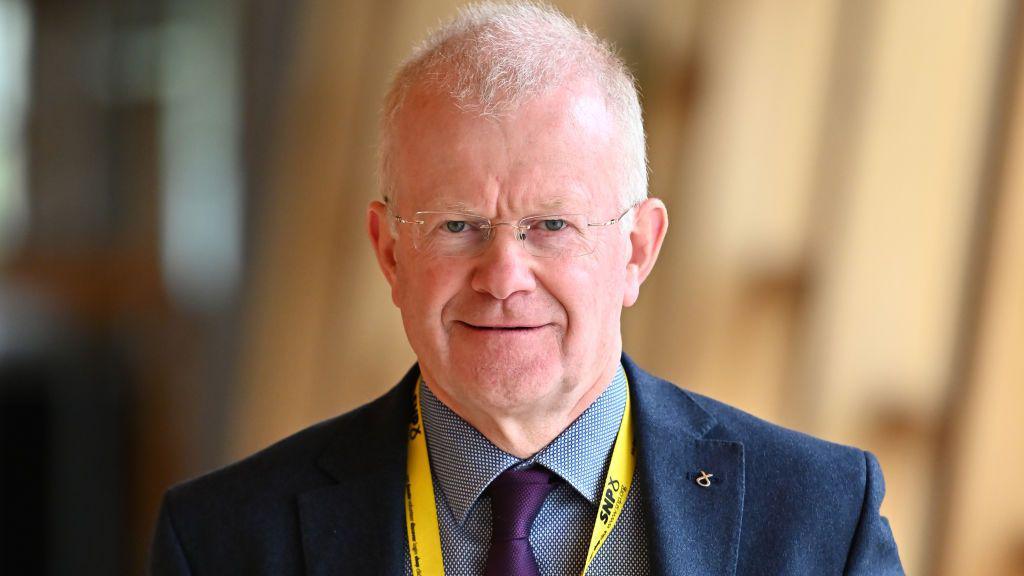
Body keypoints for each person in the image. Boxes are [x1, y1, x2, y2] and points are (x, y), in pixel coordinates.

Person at [150, 3, 904, 575]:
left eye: (550, 224)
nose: (504, 278)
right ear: (389, 252)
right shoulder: (224, 540)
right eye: (456, 225)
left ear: (637, 248)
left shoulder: (817, 519)